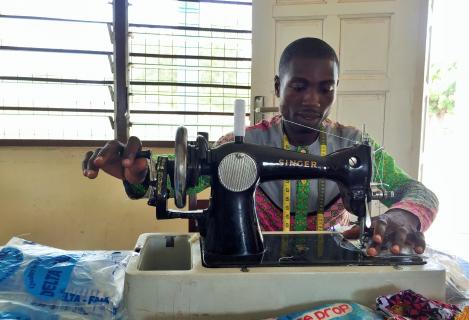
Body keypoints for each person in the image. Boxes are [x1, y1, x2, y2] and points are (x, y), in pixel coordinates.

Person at [82, 37, 438, 257]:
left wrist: (398, 216)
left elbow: (419, 192)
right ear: (277, 85)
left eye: (326, 88)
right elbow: (180, 180)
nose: (313, 100)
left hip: (330, 266)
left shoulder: (356, 146)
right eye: (298, 86)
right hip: (253, 261)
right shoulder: (243, 145)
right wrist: (137, 174)